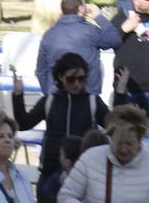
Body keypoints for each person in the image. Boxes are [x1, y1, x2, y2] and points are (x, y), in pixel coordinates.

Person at [11, 51, 111, 188]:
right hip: (51, 171)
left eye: (81, 79)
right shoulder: (50, 101)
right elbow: (23, 123)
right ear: (61, 77)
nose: (76, 84)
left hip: (83, 173)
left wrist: (120, 94)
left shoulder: (93, 101)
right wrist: (18, 95)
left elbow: (114, 127)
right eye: (71, 79)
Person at [35, 0, 123, 96]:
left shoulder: (49, 35)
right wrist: (98, 17)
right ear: (81, 9)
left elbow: (41, 71)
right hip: (86, 94)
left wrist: (48, 94)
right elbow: (115, 40)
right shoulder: (91, 31)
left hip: (57, 94)